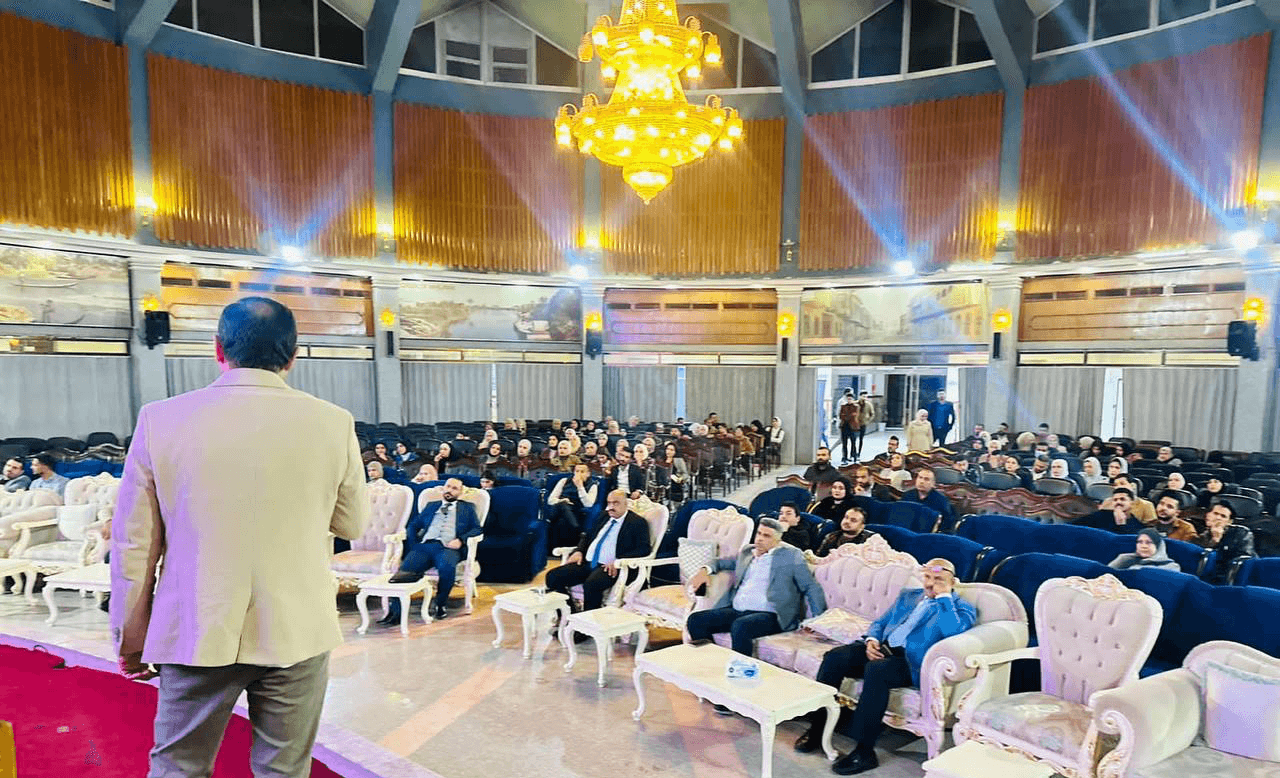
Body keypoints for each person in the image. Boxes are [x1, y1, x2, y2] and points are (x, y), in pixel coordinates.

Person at [110, 297, 370, 778]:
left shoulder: (161, 418)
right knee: (284, 770)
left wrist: (131, 635)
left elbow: (134, 544)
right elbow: (352, 524)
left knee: (179, 767)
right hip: (298, 624)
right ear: (293, 355)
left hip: (195, 624)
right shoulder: (334, 422)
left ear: (218, 349)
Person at [793, 558, 976, 775]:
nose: (930, 583)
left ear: (952, 582)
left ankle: (864, 751)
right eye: (927, 577)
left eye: (939, 579)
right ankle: (817, 729)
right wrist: (872, 641)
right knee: (835, 657)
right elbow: (880, 622)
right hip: (883, 648)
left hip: (910, 662)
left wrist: (944, 597)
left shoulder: (961, 608)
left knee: (877, 671)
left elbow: (952, 632)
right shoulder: (909, 595)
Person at [686, 518, 826, 662]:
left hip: (772, 615)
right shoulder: (747, 552)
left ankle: (741, 669)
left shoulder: (791, 556)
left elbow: (810, 586)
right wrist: (704, 570)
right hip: (738, 611)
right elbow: (720, 562)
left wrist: (817, 620)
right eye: (759, 533)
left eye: (766, 536)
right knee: (696, 620)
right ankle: (711, 662)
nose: (759, 539)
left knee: (741, 626)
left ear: (777, 540)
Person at [381, 477, 481, 623]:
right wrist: (415, 545)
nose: (450, 490)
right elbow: (413, 526)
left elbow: (477, 529)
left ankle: (440, 604)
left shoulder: (468, 508)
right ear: (443, 488)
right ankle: (396, 612)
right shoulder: (431, 506)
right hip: (425, 546)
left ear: (460, 493)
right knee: (405, 569)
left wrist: (461, 540)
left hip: (448, 548)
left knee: (447, 568)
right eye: (448, 486)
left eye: (454, 488)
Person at [545, 489, 651, 612]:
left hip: (611, 568)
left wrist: (618, 561)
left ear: (626, 504)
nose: (611, 507)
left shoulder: (637, 522)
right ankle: (571, 613)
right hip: (588, 563)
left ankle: (589, 622)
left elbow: (644, 549)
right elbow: (587, 536)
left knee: (592, 584)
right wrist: (579, 551)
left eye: (616, 503)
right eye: (609, 503)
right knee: (552, 577)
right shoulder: (603, 516)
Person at [1198, 500, 1257, 585]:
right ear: (1207, 515)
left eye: (1223, 516)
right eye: (1215, 513)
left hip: (1232, 578)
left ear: (1229, 522)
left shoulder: (1242, 533)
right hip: (1207, 577)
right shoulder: (1201, 535)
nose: (1218, 518)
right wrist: (1214, 541)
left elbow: (1244, 562)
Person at [547, 462, 599, 548]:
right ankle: (577, 531)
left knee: (561, 521)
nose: (579, 474)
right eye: (577, 471)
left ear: (588, 474)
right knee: (562, 505)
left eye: (582, 472)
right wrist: (561, 500)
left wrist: (580, 487)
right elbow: (550, 500)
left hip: (577, 511)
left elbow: (588, 504)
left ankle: (549, 521)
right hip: (561, 508)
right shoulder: (564, 481)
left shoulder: (593, 485)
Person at [1073, 487, 1146, 534]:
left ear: (1132, 503)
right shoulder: (1101, 515)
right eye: (1115, 500)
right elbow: (1075, 526)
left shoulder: (1137, 525)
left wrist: (1121, 524)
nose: (1118, 502)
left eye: (1122, 499)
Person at [1107, 528, 1181, 571]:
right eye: (1140, 542)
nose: (1143, 546)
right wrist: (1121, 560)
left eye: (1149, 542)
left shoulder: (1172, 566)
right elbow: (1106, 574)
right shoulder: (1127, 560)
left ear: (1158, 546)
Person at [837, 389, 859, 465]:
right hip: (844, 426)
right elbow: (841, 415)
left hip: (853, 427)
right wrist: (847, 416)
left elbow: (854, 415)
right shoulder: (843, 406)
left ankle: (854, 456)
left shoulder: (856, 407)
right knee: (844, 443)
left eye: (850, 399)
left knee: (853, 442)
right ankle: (844, 457)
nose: (849, 400)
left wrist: (846, 416)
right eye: (848, 399)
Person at [856, 392, 875, 459]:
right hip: (855, 424)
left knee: (861, 439)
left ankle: (859, 453)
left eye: (865, 396)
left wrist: (868, 421)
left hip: (863, 424)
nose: (864, 398)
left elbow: (872, 414)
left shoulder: (868, 404)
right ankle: (853, 453)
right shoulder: (856, 403)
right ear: (860, 396)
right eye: (863, 396)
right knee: (854, 439)